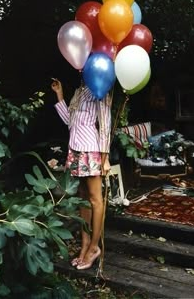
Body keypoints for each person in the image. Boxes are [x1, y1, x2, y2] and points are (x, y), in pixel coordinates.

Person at [51, 77, 111, 270]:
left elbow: (105, 124)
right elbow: (70, 121)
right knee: (83, 198)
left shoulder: (100, 86)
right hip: (76, 148)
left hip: (92, 149)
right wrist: (60, 95)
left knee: (95, 199)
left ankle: (94, 247)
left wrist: (105, 158)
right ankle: (84, 245)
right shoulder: (80, 90)